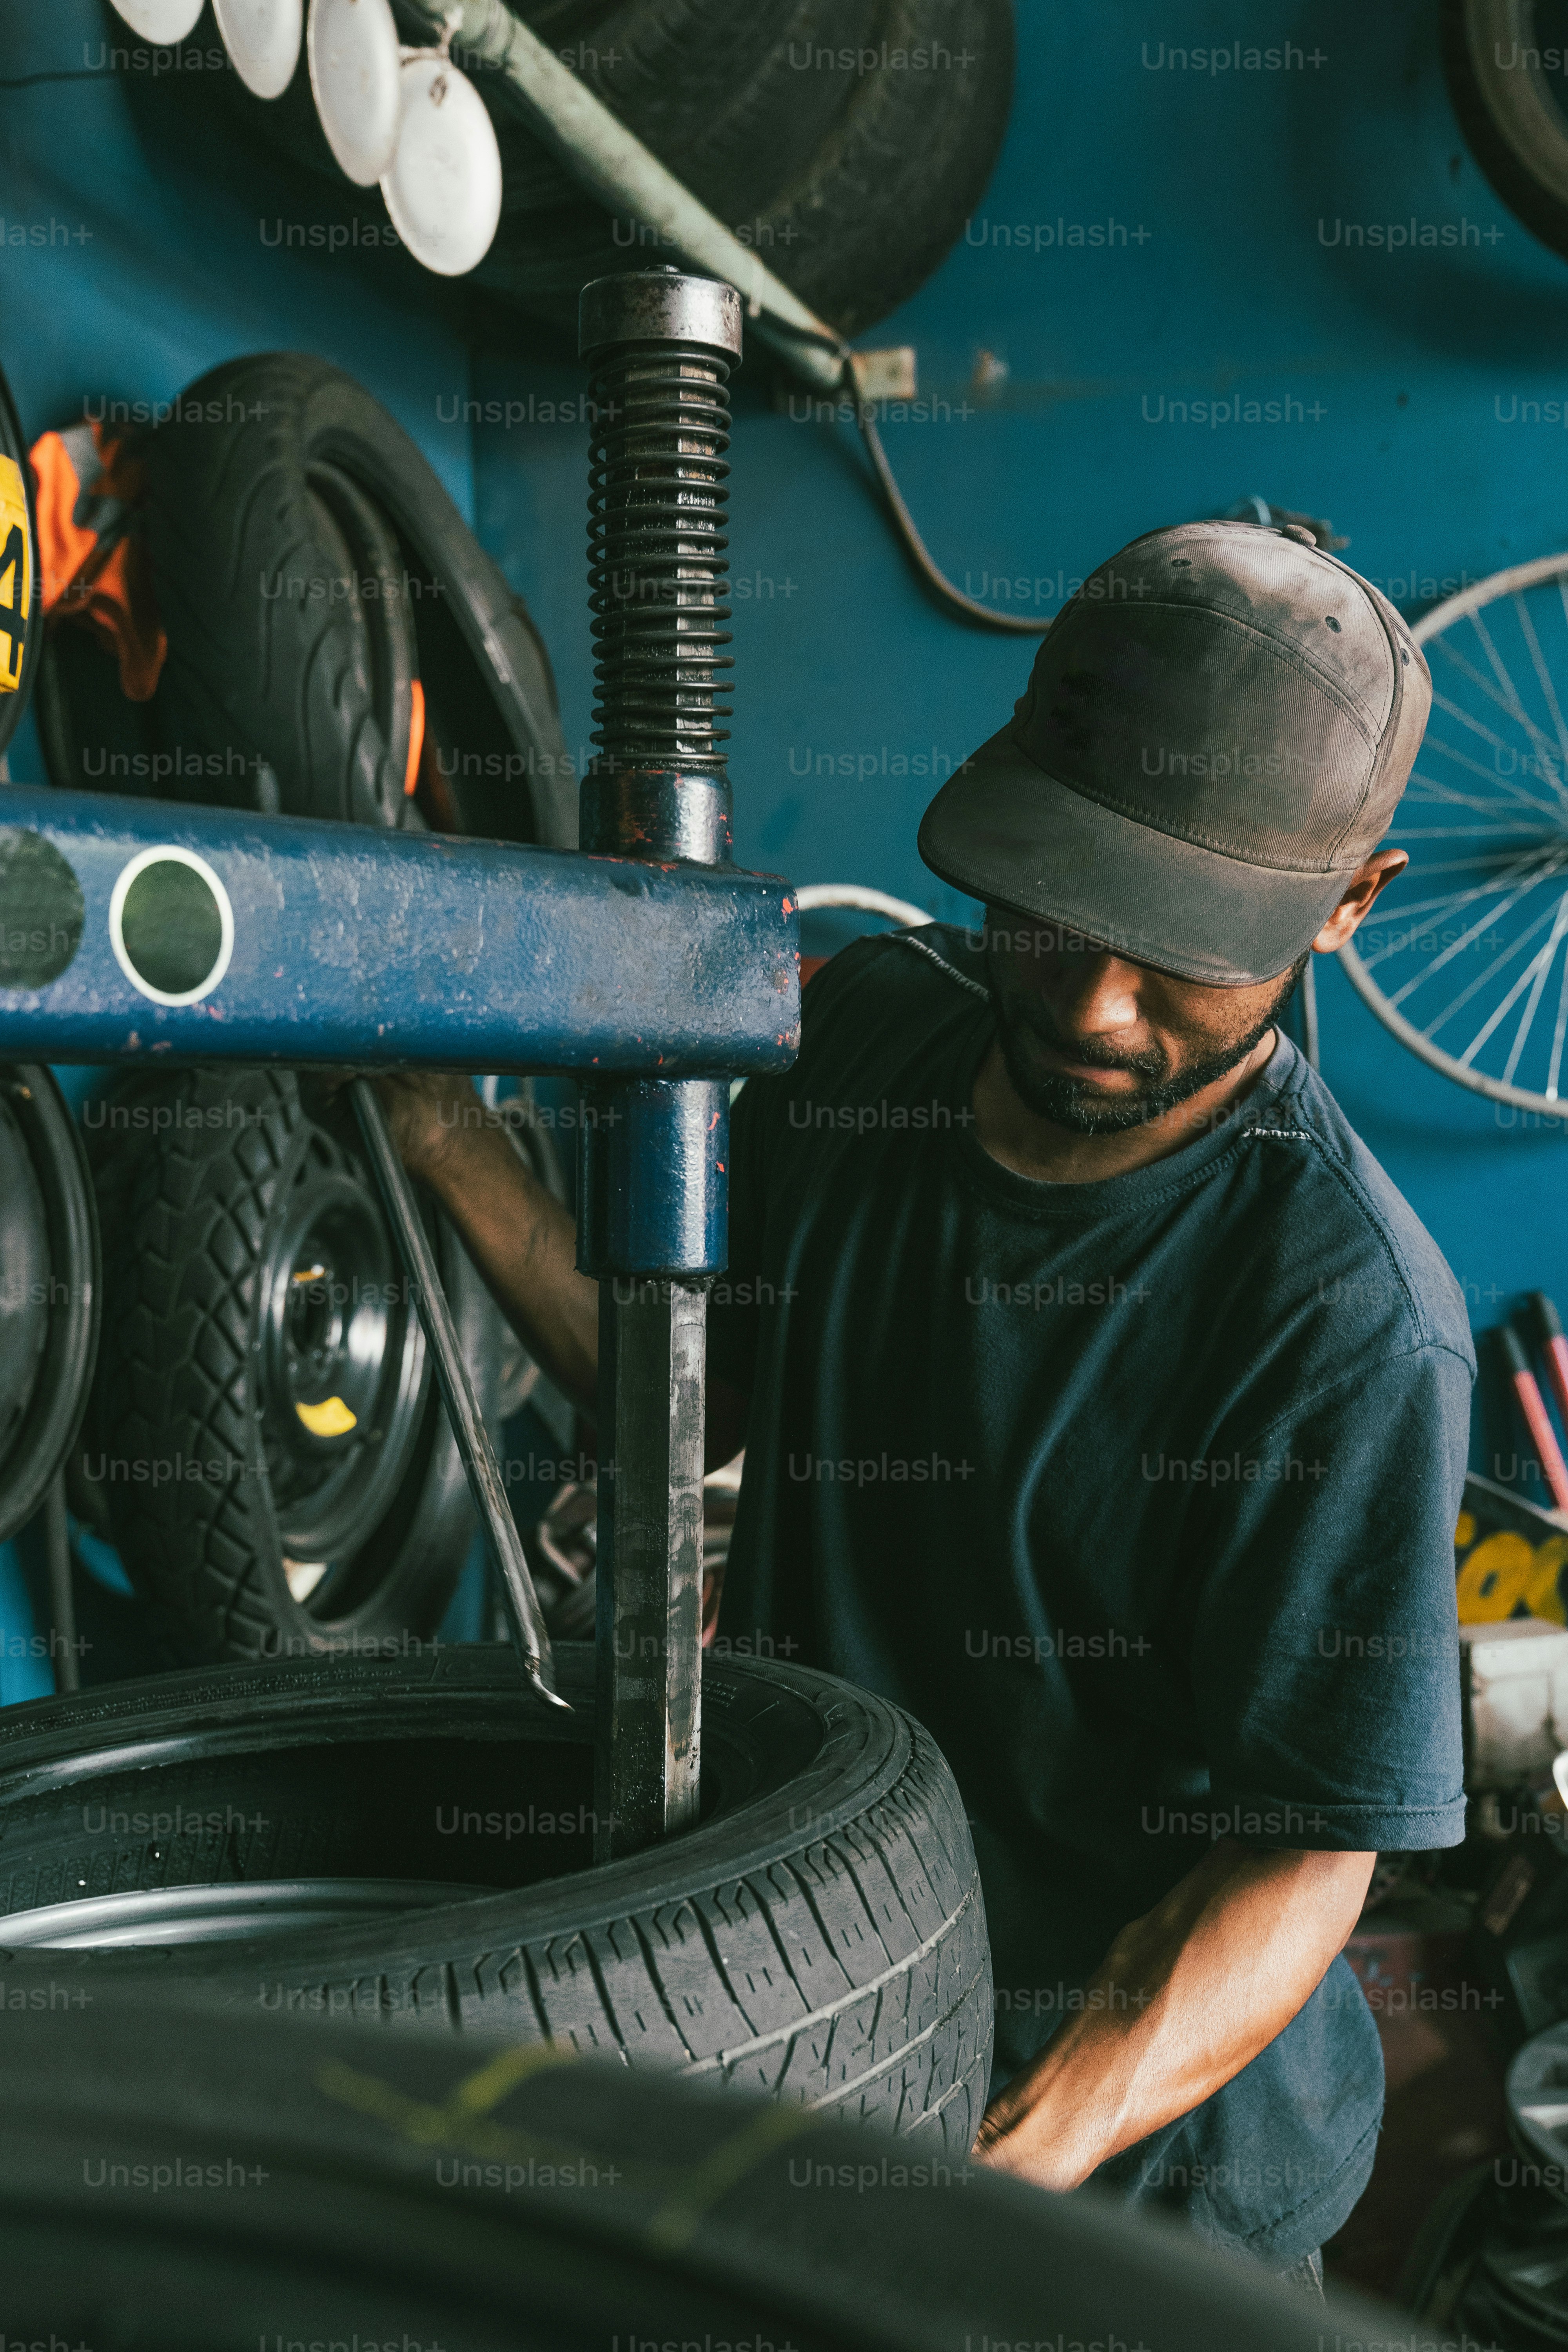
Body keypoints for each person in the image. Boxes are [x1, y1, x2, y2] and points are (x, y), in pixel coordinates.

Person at [368, 521, 1470, 2286]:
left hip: (1132, 2186)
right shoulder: (875, 1039)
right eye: (1054, 916)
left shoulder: (1337, 1321)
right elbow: (679, 1397)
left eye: (1178, 951)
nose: (1097, 1003)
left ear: (1349, 904)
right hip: (837, 2015)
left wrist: (1018, 2165)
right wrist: (440, 1138)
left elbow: (1300, 1864)